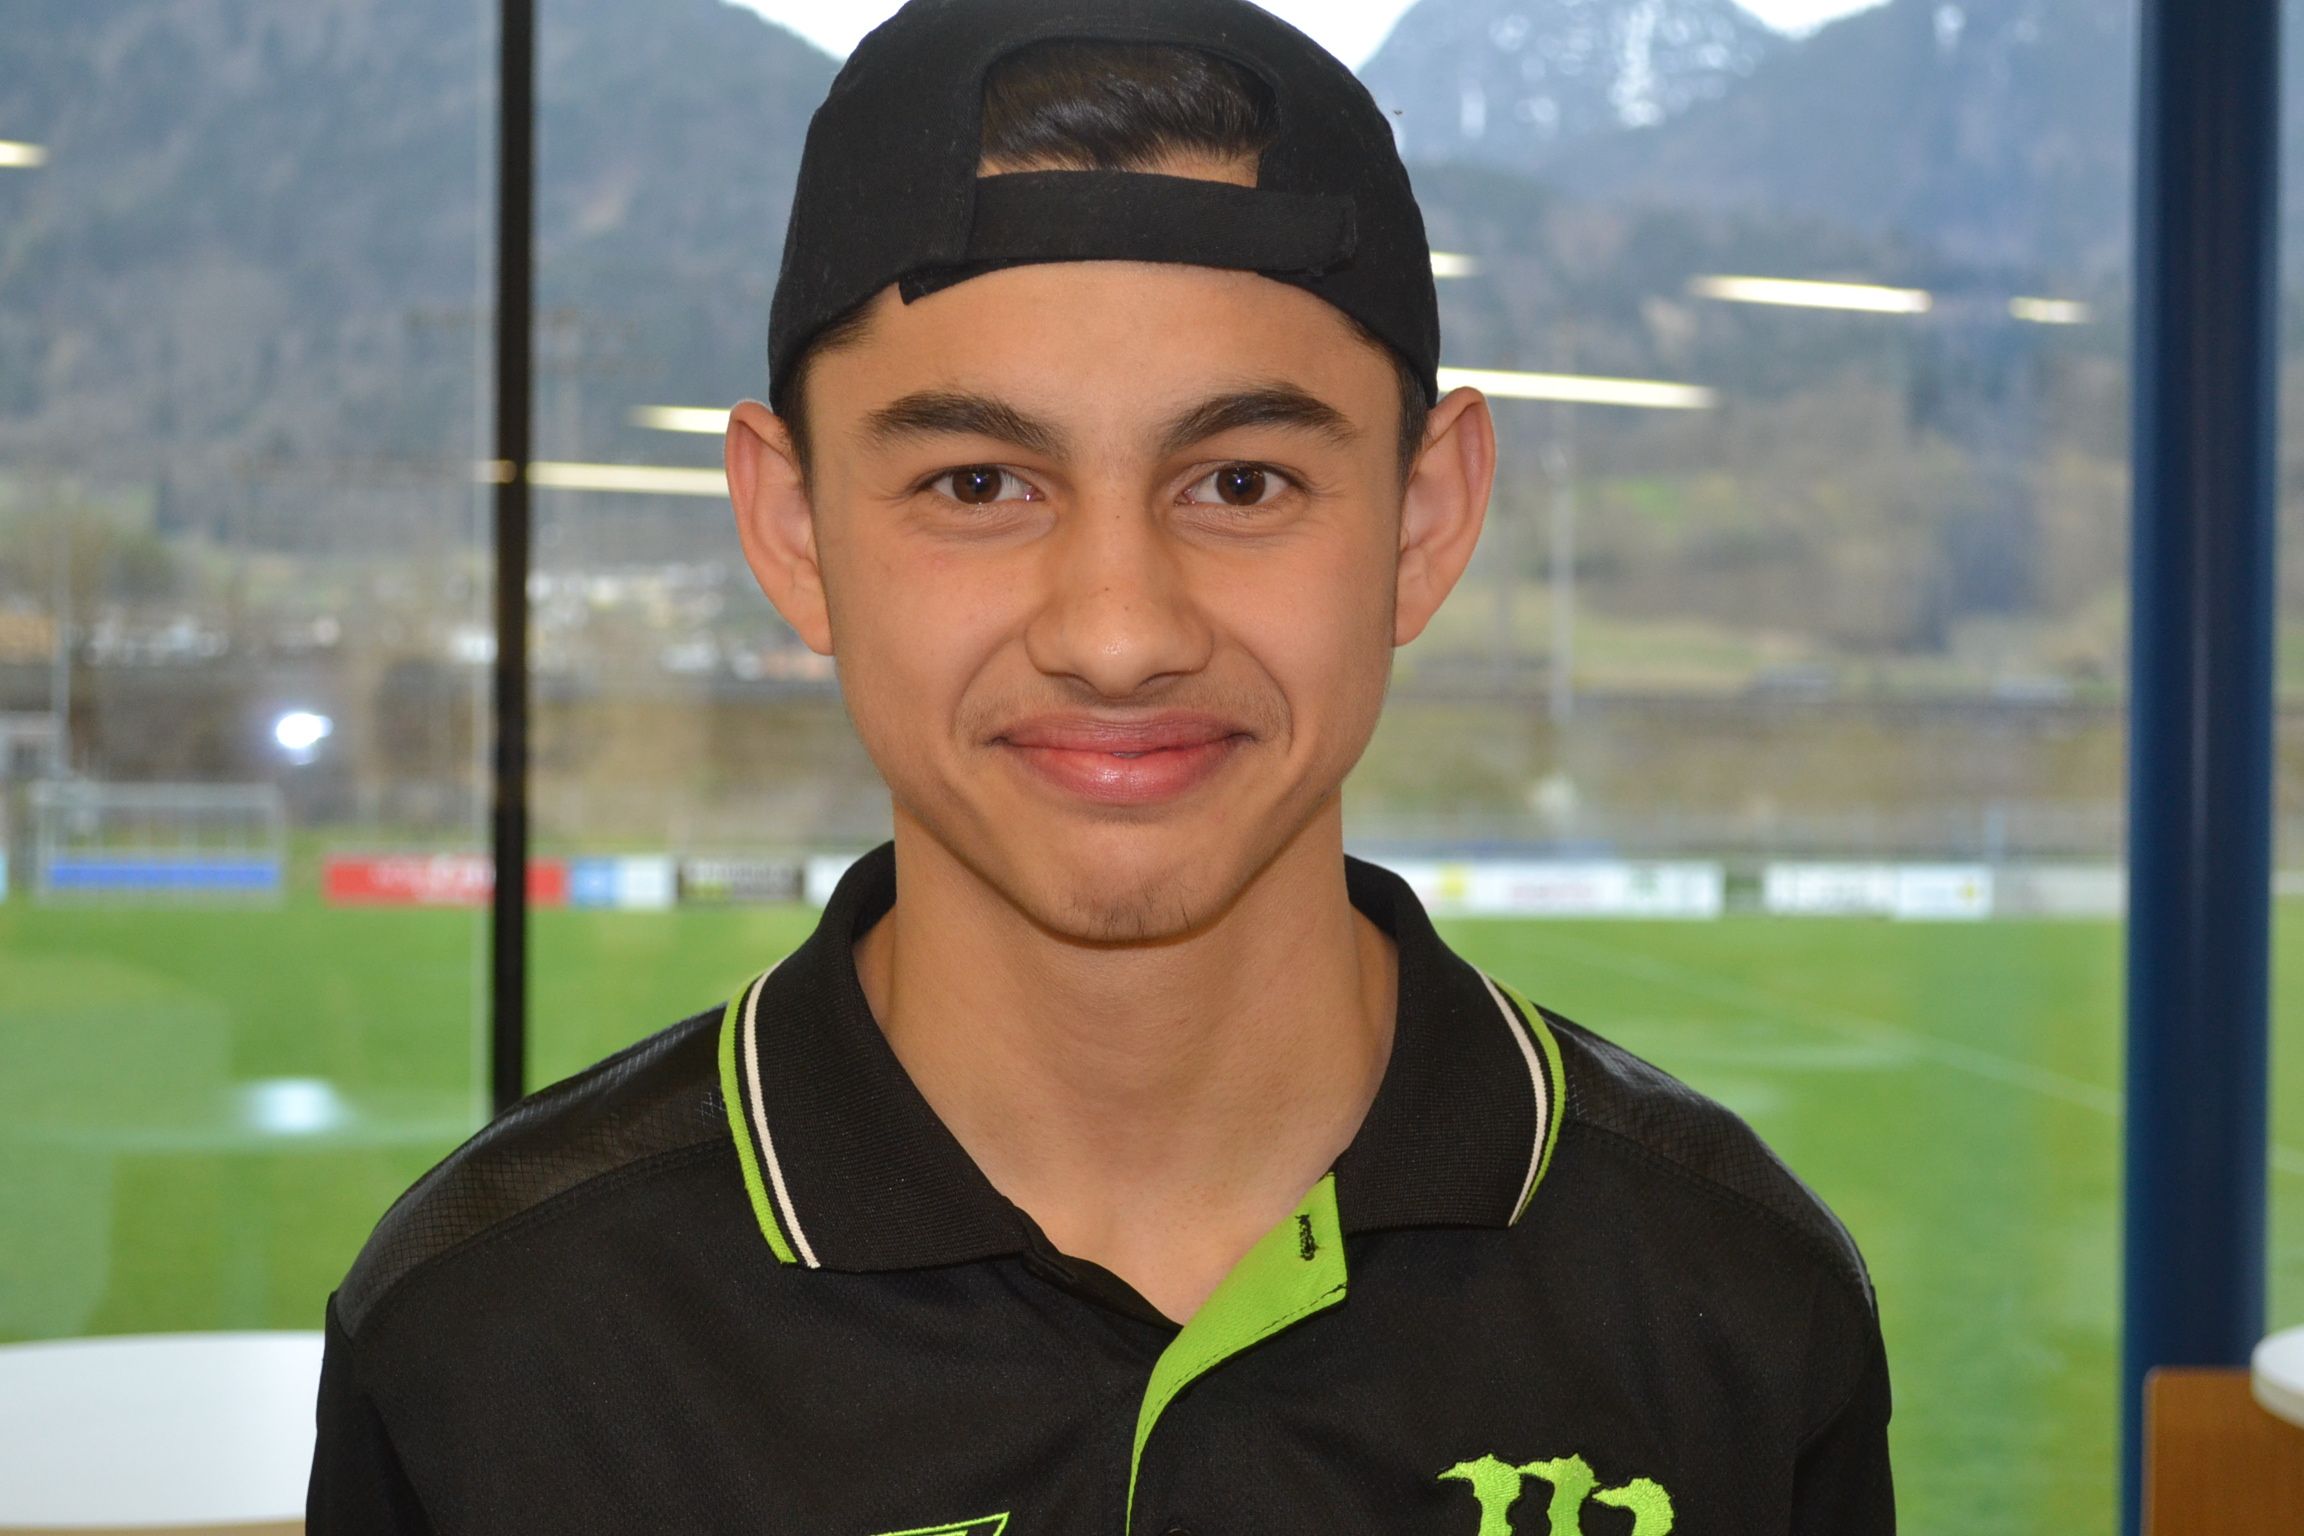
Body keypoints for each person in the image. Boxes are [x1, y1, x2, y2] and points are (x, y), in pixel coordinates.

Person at [307, 1, 1894, 1531]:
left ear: (1425, 522)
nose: (1120, 634)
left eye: (1243, 482)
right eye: (979, 483)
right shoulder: (488, 1332)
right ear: (794, 531)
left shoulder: (1736, 1304)